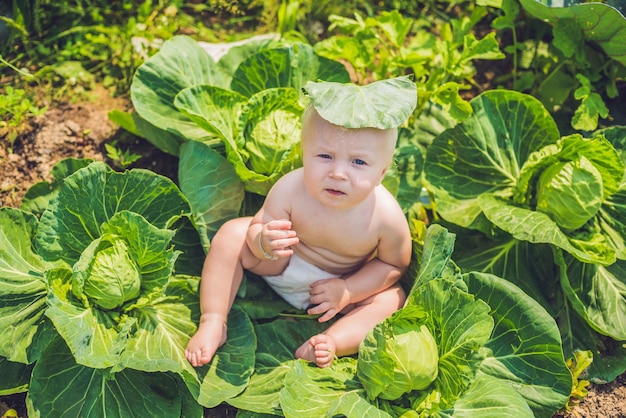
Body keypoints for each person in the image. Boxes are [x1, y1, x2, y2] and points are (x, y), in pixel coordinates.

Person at [185, 78, 414, 368]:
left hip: (340, 286)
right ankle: (214, 320)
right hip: (283, 264)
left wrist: (348, 290)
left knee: (393, 299)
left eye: (358, 162)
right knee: (233, 234)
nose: (338, 172)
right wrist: (263, 241)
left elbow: (393, 266)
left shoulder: (387, 218)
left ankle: (332, 341)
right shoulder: (291, 188)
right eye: (324, 156)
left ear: (382, 173)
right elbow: (259, 226)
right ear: (303, 153)